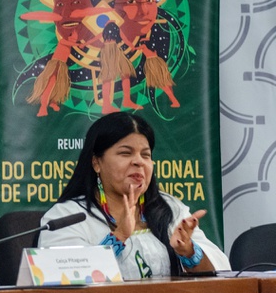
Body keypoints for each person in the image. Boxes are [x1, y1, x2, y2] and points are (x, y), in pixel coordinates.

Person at [38, 112, 230, 278]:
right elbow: (60, 277)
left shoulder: (170, 208)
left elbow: (222, 271)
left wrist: (188, 251)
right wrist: (119, 237)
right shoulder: (67, 217)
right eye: (125, 153)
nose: (138, 162)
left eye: (145, 155)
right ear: (97, 163)